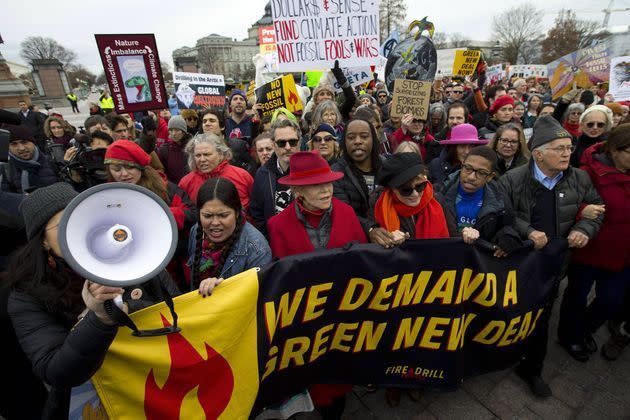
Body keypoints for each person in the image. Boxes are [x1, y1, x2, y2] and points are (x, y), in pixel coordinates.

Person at [4, 182, 180, 418]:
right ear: (43, 241)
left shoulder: (140, 262)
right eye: (62, 224)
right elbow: (56, 371)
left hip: (154, 384)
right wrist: (99, 320)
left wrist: (209, 296)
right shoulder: (27, 295)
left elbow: (178, 313)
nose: (72, 230)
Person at [498, 115, 603, 398]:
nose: (567, 153)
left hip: (556, 267)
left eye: (569, 148)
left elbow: (596, 207)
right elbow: (503, 215)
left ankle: (532, 369)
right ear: (538, 153)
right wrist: (528, 230)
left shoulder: (580, 177)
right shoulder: (512, 179)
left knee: (542, 317)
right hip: (520, 265)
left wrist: (584, 228)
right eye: (559, 148)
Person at [267, 151, 366, 419]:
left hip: (345, 316)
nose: (326, 190)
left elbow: (363, 262)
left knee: (340, 382)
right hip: (308, 324)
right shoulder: (277, 226)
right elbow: (281, 280)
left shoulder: (346, 213)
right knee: (315, 380)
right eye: (316, 184)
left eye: (329, 182)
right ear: (298, 190)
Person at [557, 124, 630, 362]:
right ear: (615, 150)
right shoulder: (589, 171)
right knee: (577, 295)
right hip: (590, 249)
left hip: (623, 255)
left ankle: (585, 329)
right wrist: (583, 211)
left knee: (611, 300)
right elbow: (569, 202)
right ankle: (569, 336)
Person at [188, 177, 271, 291]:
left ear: (237, 212)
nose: (215, 223)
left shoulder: (257, 249)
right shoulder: (196, 231)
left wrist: (222, 290)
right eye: (207, 216)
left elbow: (260, 297)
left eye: (223, 215)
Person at [437, 146, 522, 254]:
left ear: (490, 177)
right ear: (462, 166)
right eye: (467, 168)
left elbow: (510, 228)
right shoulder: (440, 193)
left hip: (479, 265)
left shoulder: (500, 200)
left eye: (481, 173)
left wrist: (506, 239)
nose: (472, 177)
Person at [369, 153, 449, 254]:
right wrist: (388, 241)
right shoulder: (377, 206)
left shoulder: (438, 200)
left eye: (420, 186)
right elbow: (373, 250)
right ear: (393, 189)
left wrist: (467, 235)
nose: (415, 194)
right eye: (406, 190)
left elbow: (454, 237)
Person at [250, 118, 300, 237]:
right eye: (282, 143)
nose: (288, 147)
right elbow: (257, 212)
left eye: (292, 142)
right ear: (274, 144)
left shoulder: (311, 170)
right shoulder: (262, 174)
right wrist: (268, 239)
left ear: (299, 142)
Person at [331, 118, 382, 235]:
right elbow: (343, 214)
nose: (357, 141)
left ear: (373, 140)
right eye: (351, 137)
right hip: (354, 241)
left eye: (364, 136)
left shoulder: (387, 167)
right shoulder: (335, 174)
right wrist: (370, 229)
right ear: (344, 141)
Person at [179, 133, 253, 208]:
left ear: (221, 154)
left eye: (207, 154)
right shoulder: (186, 183)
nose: (202, 159)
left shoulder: (242, 176)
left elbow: (255, 208)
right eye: (198, 155)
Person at [428, 124, 488, 190]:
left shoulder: (482, 168)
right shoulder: (436, 165)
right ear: (454, 148)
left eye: (471, 146)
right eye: (462, 146)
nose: (467, 151)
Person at [0, 124, 57, 194]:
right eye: (14, 144)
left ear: (33, 142)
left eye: (24, 142)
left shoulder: (52, 161)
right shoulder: (5, 170)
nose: (22, 148)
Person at [200, 108, 255, 174]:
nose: (207, 124)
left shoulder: (238, 146)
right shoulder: (197, 148)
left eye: (212, 121)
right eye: (204, 121)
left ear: (222, 126)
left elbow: (250, 171)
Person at [158, 115, 192, 183]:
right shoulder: (164, 150)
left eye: (177, 130)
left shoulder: (193, 147)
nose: (173, 133)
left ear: (183, 131)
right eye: (171, 130)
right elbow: (163, 172)